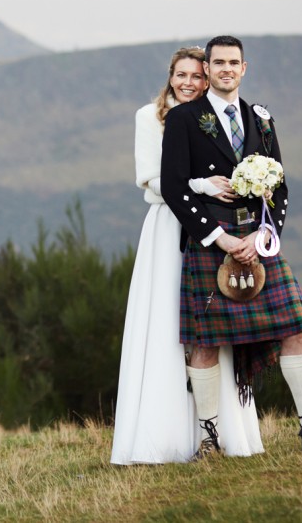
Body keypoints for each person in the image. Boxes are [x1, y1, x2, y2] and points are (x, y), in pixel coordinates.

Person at [161, 35, 302, 459]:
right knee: (205, 342)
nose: (226, 69)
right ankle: (209, 440)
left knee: (295, 328)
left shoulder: (262, 118)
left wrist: (264, 236)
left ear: (244, 68)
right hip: (212, 240)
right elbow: (174, 188)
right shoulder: (184, 119)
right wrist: (223, 238)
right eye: (218, 63)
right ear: (208, 69)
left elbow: (280, 186)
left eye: (234, 62)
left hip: (258, 238)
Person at [111, 47, 262, 465]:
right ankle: (163, 437)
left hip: (213, 231)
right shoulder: (151, 116)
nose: (190, 82)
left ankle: (221, 434)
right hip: (167, 228)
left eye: (198, 75)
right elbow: (153, 180)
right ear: (170, 76)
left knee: (212, 328)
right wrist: (203, 186)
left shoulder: (210, 119)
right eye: (182, 75)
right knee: (166, 328)